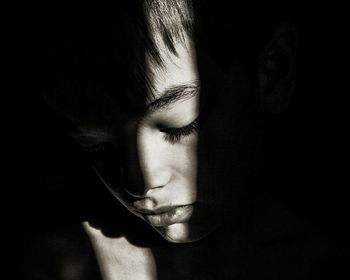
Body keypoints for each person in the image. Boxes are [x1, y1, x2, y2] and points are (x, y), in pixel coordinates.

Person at [9, 0, 347, 279]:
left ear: (273, 73)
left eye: (179, 127)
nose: (140, 183)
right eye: (98, 147)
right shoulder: (65, 263)